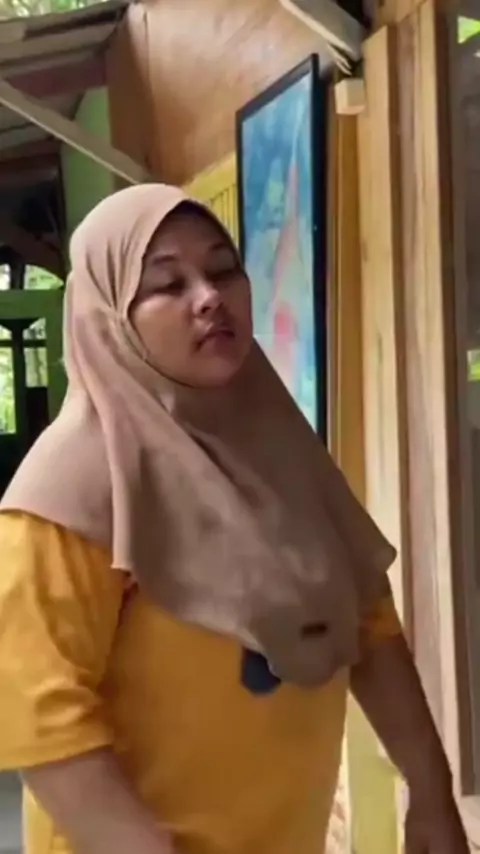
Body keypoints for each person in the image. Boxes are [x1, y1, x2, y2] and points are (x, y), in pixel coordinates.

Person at [0, 184, 468, 854]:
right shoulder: (70, 491)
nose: (209, 297)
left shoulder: (280, 452)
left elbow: (369, 622)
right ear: (109, 316)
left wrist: (430, 788)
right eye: (168, 284)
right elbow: (39, 719)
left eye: (223, 271)